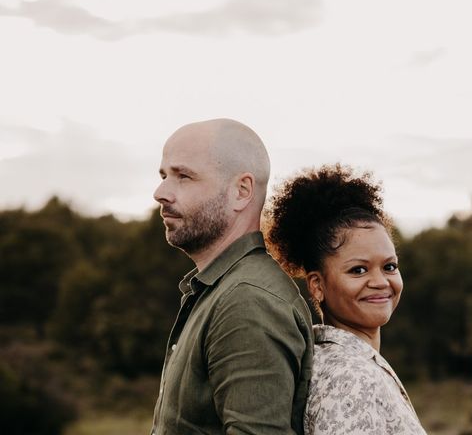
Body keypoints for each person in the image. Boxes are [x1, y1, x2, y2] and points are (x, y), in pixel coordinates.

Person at [150, 119, 313, 435]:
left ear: (241, 191)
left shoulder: (248, 300)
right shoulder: (221, 289)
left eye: (183, 176)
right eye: (163, 175)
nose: (160, 192)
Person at [265, 164, 428, 435]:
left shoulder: (345, 362)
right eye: (358, 270)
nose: (380, 281)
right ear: (317, 285)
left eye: (389, 266)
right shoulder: (350, 378)